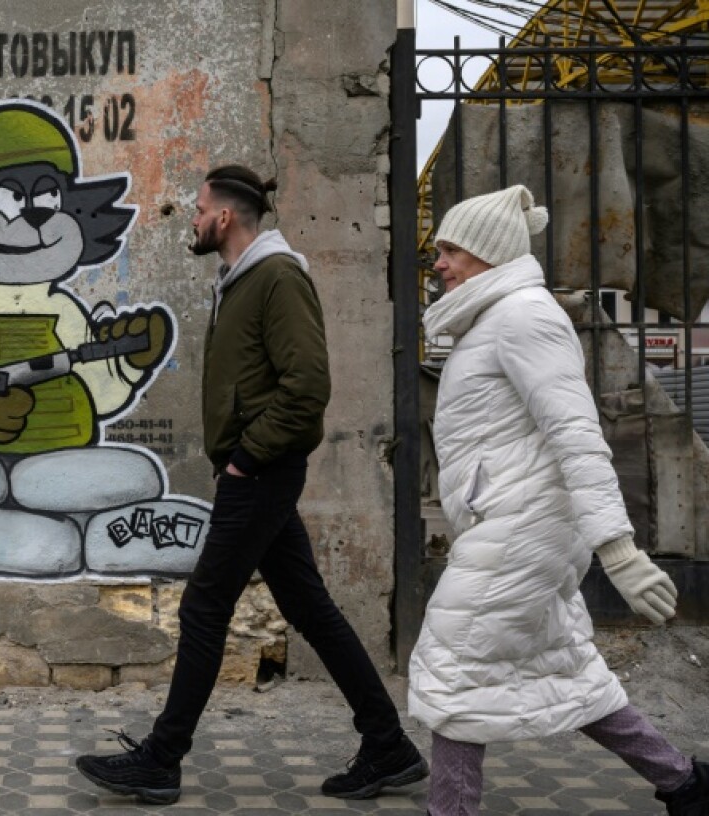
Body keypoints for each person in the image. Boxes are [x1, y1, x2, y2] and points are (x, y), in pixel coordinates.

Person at [74, 165, 429, 804]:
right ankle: (388, 744)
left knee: (205, 607)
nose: (193, 217)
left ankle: (162, 758)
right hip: (255, 468)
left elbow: (307, 388)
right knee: (309, 608)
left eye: (200, 208)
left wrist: (246, 458)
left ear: (226, 217)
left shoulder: (277, 277)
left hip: (261, 470)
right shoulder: (240, 279)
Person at [411, 184, 709, 816]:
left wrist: (619, 550)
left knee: (455, 669)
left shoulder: (525, 316)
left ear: (488, 254)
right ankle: (684, 784)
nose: (437, 262)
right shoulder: (493, 317)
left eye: (450, 250)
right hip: (514, 522)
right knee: (567, 671)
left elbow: (577, 433)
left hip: (525, 526)